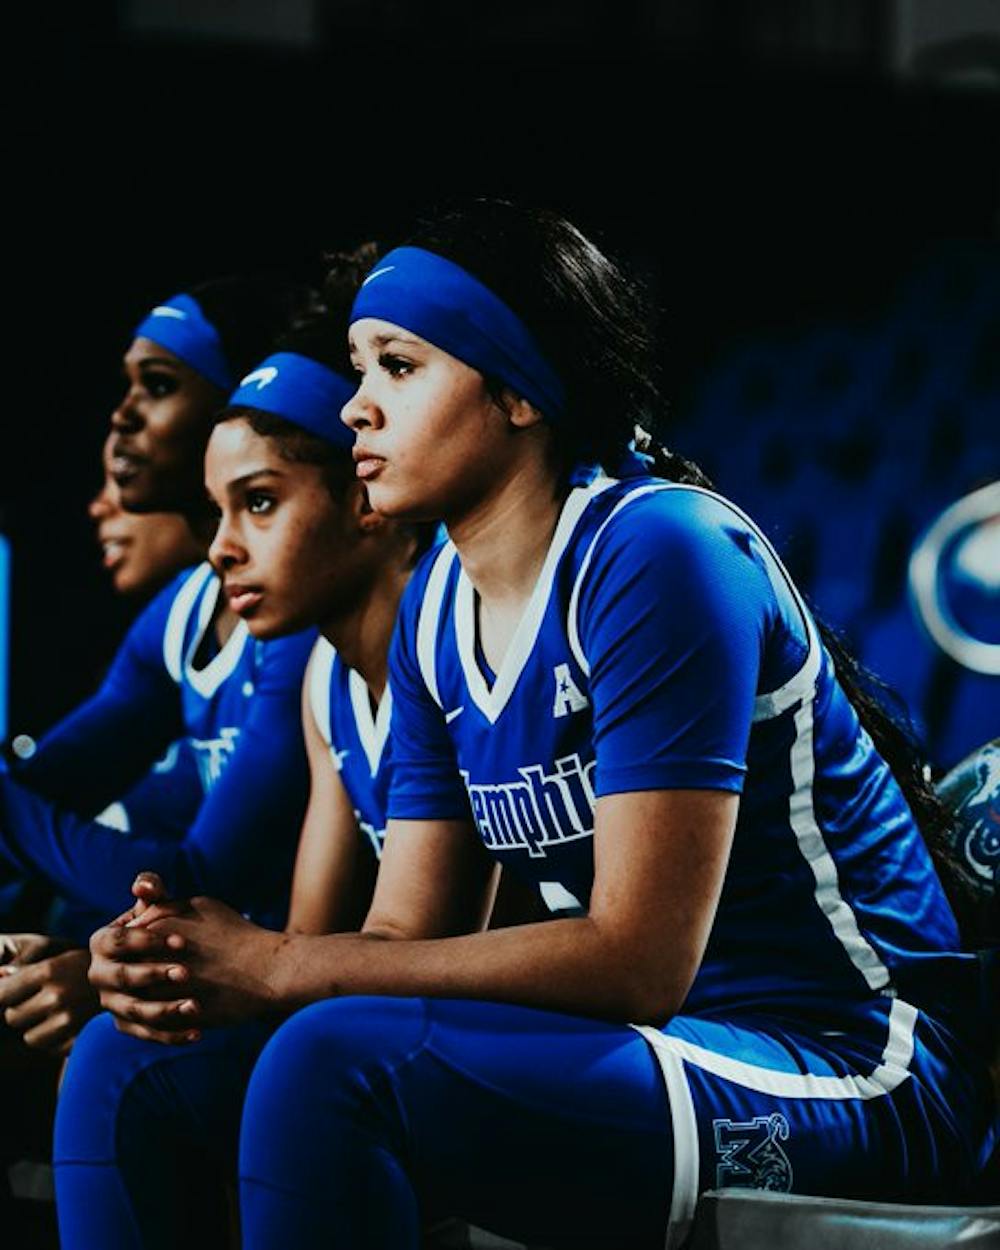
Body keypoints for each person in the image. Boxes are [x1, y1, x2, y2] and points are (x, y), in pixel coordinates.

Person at [66, 201, 997, 1249]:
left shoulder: (656, 550)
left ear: (515, 389)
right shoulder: (433, 608)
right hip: (655, 1038)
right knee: (130, 1059)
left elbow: (637, 958)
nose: (358, 408)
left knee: (336, 1065)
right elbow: (401, 936)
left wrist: (278, 961)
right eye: (358, 368)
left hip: (849, 1056)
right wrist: (191, 963)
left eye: (398, 367)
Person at [54, 296, 448, 1246]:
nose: (221, 545)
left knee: (308, 1062)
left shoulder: (451, 653)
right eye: (222, 508)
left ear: (364, 499)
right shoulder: (325, 683)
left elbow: (419, 954)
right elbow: (311, 940)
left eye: (259, 503)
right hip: (396, 1006)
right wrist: (142, 957)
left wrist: (237, 953)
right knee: (120, 1047)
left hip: (531, 1021)